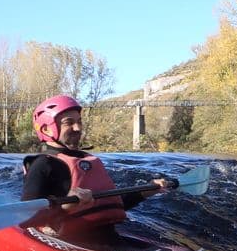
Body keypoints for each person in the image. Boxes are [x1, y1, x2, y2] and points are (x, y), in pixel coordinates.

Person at [21, 94, 166, 239]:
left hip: (105, 236)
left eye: (79, 121)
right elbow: (26, 218)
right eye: (69, 122)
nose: (78, 128)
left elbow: (111, 203)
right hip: (67, 240)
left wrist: (147, 190)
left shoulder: (87, 159)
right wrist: (66, 206)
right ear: (46, 129)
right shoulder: (42, 164)